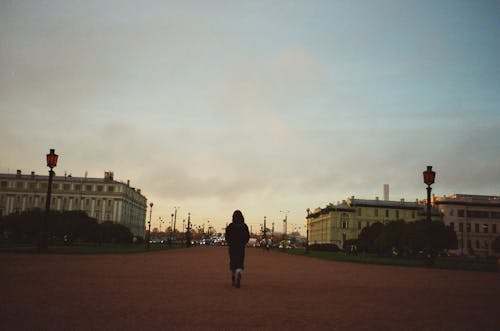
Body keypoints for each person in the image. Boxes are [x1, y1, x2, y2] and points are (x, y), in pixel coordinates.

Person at [225, 210, 250, 288]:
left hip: (232, 246)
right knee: (240, 261)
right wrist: (244, 242)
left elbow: (227, 236)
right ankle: (239, 272)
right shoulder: (244, 226)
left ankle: (233, 276)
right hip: (240, 246)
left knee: (233, 261)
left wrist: (229, 242)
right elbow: (247, 236)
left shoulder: (230, 226)